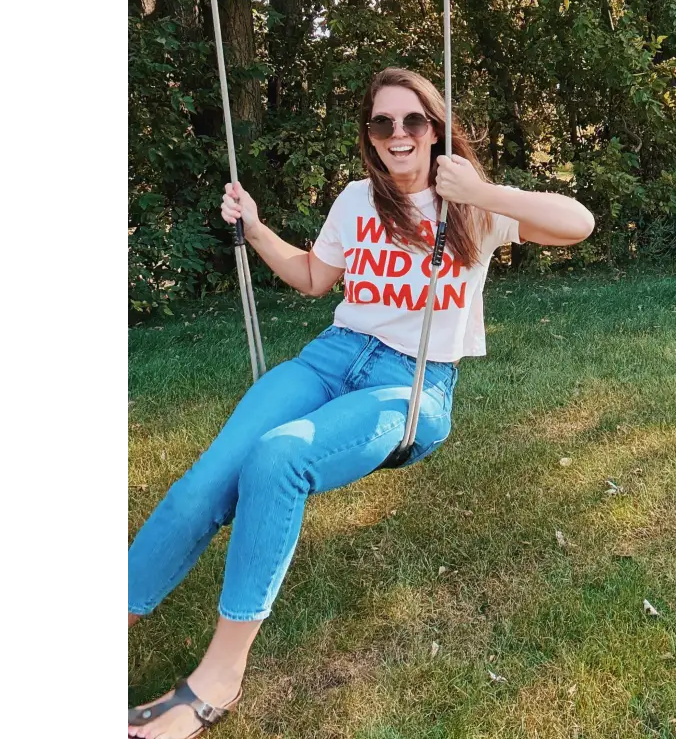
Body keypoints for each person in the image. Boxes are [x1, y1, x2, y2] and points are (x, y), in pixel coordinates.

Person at [127, 67, 595, 738]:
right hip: (329, 357)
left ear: (436, 129)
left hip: (409, 385)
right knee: (204, 485)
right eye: (383, 123)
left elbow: (579, 223)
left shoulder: (474, 207)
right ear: (369, 135)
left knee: (277, 460)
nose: (398, 135)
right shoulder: (355, 199)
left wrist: (478, 188)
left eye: (413, 122)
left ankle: (218, 678)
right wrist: (256, 228)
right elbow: (315, 278)